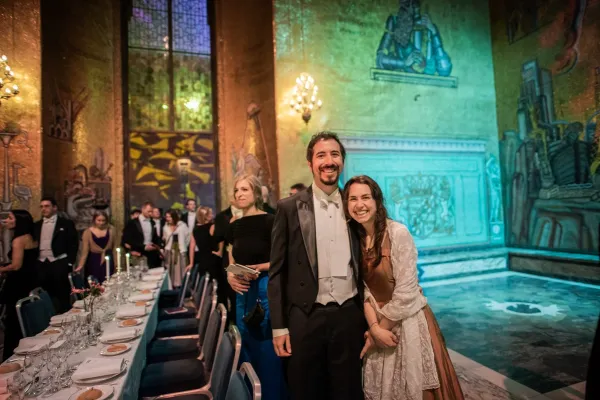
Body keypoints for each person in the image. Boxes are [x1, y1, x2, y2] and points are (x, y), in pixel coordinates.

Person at [343, 175, 464, 399]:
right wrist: (374, 328)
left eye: (366, 197)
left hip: (406, 321)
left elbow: (407, 292)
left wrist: (379, 331)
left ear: (377, 201)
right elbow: (364, 291)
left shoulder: (398, 233)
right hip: (377, 322)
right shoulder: (354, 238)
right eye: (353, 199)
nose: (360, 204)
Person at [268, 132, 364, 400]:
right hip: (305, 317)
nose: (328, 161)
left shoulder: (355, 206)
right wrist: (278, 327)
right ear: (310, 163)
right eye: (321, 155)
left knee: (349, 391)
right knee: (306, 390)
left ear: (342, 162)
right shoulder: (288, 208)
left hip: (349, 316)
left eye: (334, 154)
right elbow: (276, 273)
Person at [227, 174, 287, 400]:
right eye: (236, 190)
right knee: (245, 345)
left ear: (256, 194)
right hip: (241, 291)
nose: (239, 194)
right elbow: (231, 256)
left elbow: (284, 259)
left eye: (244, 189)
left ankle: (271, 395)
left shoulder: (270, 220)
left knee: (266, 349)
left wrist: (259, 267)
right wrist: (229, 276)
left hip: (264, 289)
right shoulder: (235, 224)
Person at [0, 210, 38, 360]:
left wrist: (2, 269)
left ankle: (10, 356)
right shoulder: (31, 237)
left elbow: (16, 265)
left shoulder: (18, 240)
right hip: (29, 282)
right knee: (24, 318)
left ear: (19, 222)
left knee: (12, 322)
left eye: (10, 218)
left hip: (17, 284)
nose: (7, 221)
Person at [34, 197, 78, 313]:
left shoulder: (66, 224)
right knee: (45, 296)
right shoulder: (36, 225)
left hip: (59, 262)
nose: (44, 209)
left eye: (47, 206)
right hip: (41, 264)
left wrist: (69, 262)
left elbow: (73, 244)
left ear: (54, 207)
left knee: (62, 295)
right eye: (42, 206)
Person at [187, 207, 225, 303]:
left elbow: (191, 247)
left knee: (206, 288)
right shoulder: (212, 226)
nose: (212, 216)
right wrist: (220, 251)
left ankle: (207, 310)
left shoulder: (195, 230)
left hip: (202, 262)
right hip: (214, 260)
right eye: (210, 214)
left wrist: (191, 263)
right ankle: (219, 311)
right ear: (205, 217)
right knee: (219, 287)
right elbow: (221, 239)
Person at [75, 211, 117, 283]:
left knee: (108, 282)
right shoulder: (87, 232)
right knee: (94, 283)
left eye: (103, 220)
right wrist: (80, 265)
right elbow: (85, 251)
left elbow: (115, 247)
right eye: (99, 220)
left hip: (108, 260)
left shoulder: (111, 230)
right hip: (93, 261)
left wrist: (117, 263)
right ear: (94, 220)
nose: (101, 223)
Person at [122, 201, 162, 268]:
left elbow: (155, 238)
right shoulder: (132, 223)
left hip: (152, 254)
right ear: (143, 209)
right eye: (149, 211)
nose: (150, 213)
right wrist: (143, 247)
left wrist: (158, 247)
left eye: (152, 211)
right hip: (138, 253)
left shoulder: (152, 222)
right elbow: (127, 240)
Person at [163, 209, 189, 288]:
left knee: (181, 270)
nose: (168, 219)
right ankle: (171, 287)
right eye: (167, 217)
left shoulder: (182, 225)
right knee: (170, 270)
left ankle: (182, 287)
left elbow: (188, 237)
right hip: (170, 251)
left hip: (180, 251)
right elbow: (165, 239)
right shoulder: (165, 227)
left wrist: (184, 246)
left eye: (170, 217)